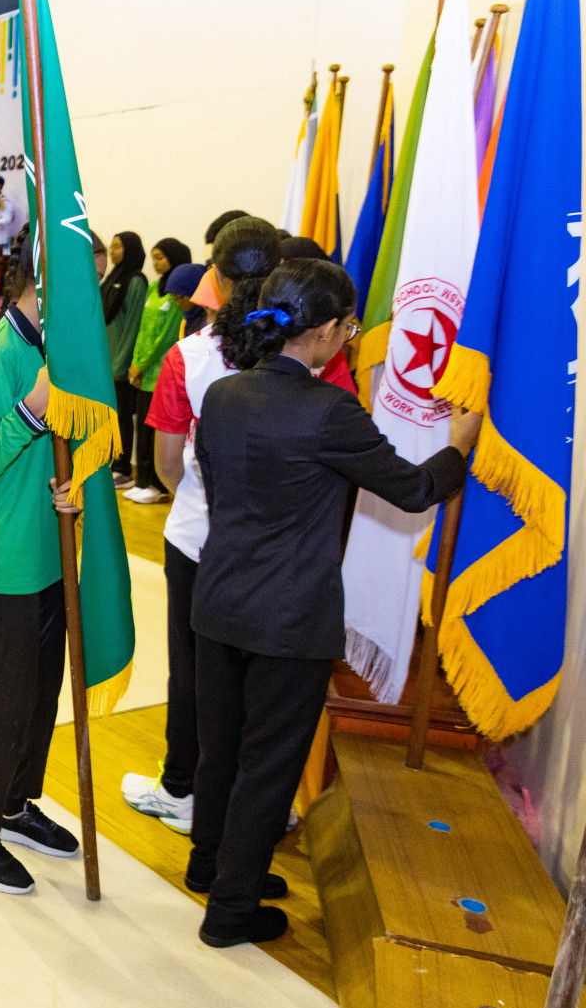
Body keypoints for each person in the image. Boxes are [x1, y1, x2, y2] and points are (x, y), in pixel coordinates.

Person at [188, 258, 476, 947]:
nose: (349, 338)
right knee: (269, 763)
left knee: (220, 749)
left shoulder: (224, 394)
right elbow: (409, 490)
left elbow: (221, 495)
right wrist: (458, 448)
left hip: (220, 597)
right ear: (319, 332)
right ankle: (231, 910)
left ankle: (215, 867)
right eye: (347, 328)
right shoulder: (327, 410)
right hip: (289, 616)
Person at [122, 219, 355, 839]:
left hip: (201, 539)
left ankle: (184, 790)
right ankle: (257, 811)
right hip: (287, 554)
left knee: (196, 673)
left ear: (214, 281)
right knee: (270, 689)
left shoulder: (189, 356)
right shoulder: (320, 357)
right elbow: (345, 447)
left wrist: (204, 499)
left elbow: (168, 462)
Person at [0, 225, 82, 895]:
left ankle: (13, 804)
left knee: (40, 693)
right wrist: (29, 414)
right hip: (4, 557)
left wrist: (70, 486)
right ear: (42, 277)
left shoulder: (54, 348)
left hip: (50, 552)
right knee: (5, 700)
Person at [123, 237, 192, 504]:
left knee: (159, 431)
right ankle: (142, 480)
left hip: (163, 370)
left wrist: (144, 363)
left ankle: (158, 485)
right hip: (143, 372)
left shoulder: (179, 291)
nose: (156, 263)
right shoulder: (153, 288)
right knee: (142, 426)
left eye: (161, 257)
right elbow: (143, 329)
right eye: (154, 257)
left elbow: (166, 337)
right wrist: (136, 363)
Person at [101, 231, 147, 489]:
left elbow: (133, 327)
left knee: (121, 417)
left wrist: (119, 365)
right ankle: (110, 460)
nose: (112, 251)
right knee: (108, 415)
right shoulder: (111, 279)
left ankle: (123, 469)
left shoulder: (135, 281)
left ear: (130, 250)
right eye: (112, 246)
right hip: (104, 363)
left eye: (118, 246)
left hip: (118, 365)